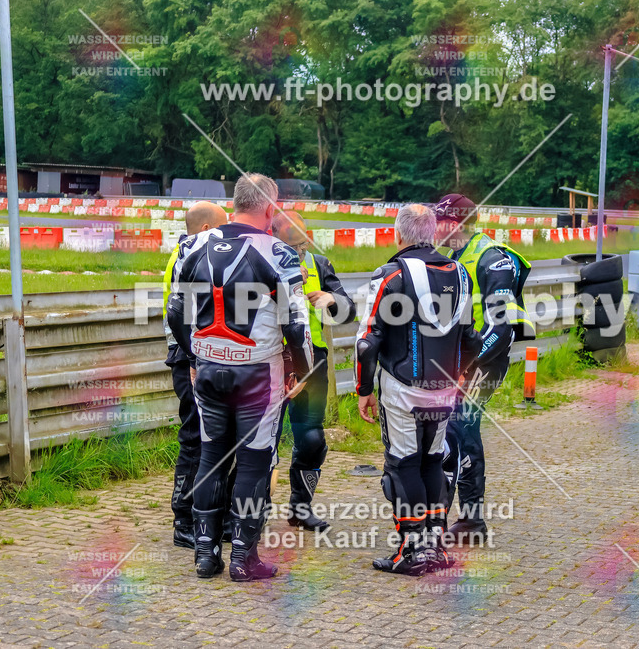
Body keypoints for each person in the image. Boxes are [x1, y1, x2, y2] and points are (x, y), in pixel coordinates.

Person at [168, 174, 312, 581]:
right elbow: (296, 325)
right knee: (253, 461)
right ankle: (243, 559)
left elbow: (175, 312)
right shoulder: (280, 253)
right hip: (258, 373)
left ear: (235, 202)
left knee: (210, 455)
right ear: (270, 207)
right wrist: (301, 372)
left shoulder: (191, 246)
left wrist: (192, 354)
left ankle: (206, 555)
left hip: (208, 367)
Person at [355, 204, 482, 575]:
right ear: (433, 233)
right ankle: (434, 547)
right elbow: (471, 338)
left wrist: (363, 388)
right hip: (444, 389)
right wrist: (460, 374)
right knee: (431, 460)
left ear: (398, 234)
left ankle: (413, 551)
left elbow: (366, 342)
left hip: (401, 388)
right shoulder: (460, 273)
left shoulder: (390, 274)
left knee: (403, 463)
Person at [434, 193, 534, 540]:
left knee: (461, 428)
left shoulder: (492, 258)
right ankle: (463, 519)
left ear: (453, 223)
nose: (433, 228)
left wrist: (468, 365)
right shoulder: (455, 256)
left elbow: (502, 327)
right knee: (452, 431)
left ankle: (470, 520)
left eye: (438, 221)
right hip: (462, 360)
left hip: (487, 359)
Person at [272, 213, 356, 532]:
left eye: (303, 245)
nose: (300, 252)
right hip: (271, 362)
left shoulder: (319, 264)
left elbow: (348, 311)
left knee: (311, 439)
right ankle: (245, 513)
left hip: (312, 362)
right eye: (292, 247)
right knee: (259, 440)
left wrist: (332, 300)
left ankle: (300, 508)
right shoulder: (257, 261)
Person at [163, 201, 227, 549]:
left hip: (198, 354)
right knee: (194, 439)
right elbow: (180, 314)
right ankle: (183, 520)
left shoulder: (193, 254)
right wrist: (192, 357)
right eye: (222, 226)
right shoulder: (188, 256)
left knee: (213, 439)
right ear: (206, 230)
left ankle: (212, 516)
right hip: (188, 355)